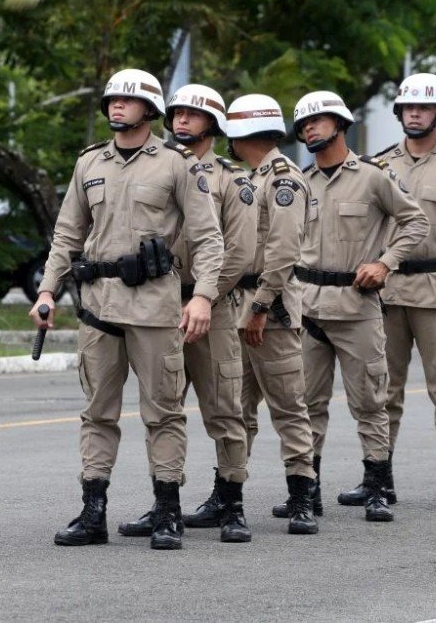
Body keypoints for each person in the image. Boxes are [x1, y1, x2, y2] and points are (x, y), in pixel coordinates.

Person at [30, 68, 224, 551]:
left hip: (155, 309)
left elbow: (206, 237)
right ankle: (93, 511)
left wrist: (202, 296)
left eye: (128, 100)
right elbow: (67, 233)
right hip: (98, 306)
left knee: (163, 413)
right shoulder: (89, 164)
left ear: (150, 110)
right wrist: (47, 290)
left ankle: (167, 511)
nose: (117, 106)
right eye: (112, 100)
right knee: (97, 412)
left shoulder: (177, 165)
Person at [347, 72, 436, 512]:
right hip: (385, 291)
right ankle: (379, 478)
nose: (415, 113)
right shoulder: (379, 164)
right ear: (399, 112)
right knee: (381, 390)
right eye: (409, 107)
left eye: (424, 107)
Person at [117, 84, 255, 543]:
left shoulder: (231, 180)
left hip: (209, 307)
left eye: (192, 115)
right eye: (175, 113)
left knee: (224, 410)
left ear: (213, 125)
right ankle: (165, 504)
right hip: (158, 305)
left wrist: (206, 296)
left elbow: (237, 251)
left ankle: (230, 503)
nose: (180, 121)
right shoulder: (156, 167)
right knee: (162, 409)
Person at [294, 90, 429, 523]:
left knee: (370, 402)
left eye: (318, 121)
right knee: (307, 404)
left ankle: (376, 487)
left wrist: (386, 263)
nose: (310, 129)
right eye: (303, 125)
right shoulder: (301, 182)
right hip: (309, 308)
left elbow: (416, 220)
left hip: (357, 308)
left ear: (340, 124)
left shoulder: (373, 176)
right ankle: (306, 491)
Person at [227, 94, 319, 535]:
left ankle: (302, 496)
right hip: (240, 305)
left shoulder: (284, 179)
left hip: (271, 308)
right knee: (236, 408)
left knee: (287, 406)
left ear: (243, 133)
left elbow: (283, 251)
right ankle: (228, 493)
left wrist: (261, 306)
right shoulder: (252, 177)